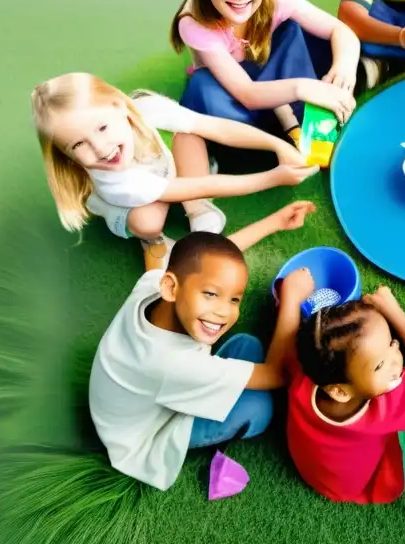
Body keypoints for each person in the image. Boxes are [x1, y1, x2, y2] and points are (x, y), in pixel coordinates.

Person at [87, 202, 317, 490]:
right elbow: (277, 374)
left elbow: (204, 263)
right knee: (259, 408)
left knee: (248, 344)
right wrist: (292, 299)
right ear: (172, 287)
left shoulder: (154, 282)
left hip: (124, 405)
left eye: (234, 299)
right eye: (211, 294)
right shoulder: (177, 364)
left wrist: (276, 221)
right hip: (141, 439)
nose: (223, 312)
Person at [31, 72, 317, 270]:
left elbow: (214, 127)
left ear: (120, 106)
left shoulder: (147, 109)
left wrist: (276, 145)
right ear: (66, 155)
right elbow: (200, 187)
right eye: (79, 144)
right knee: (148, 221)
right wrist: (273, 178)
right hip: (133, 201)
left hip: (160, 171)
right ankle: (151, 243)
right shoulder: (115, 181)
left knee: (189, 133)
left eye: (102, 127)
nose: (101, 148)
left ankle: (199, 213)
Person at [170, 0, 363, 148]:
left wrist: (344, 68)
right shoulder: (195, 23)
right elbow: (247, 93)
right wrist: (304, 88)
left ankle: (300, 116)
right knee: (201, 88)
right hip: (237, 96)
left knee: (299, 33)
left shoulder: (278, 0)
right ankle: (277, 129)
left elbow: (340, 30)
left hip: (271, 72)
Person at [285, 286, 405, 504]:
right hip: (351, 489)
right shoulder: (385, 407)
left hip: (314, 470)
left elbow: (288, 336)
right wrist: (392, 309)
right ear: (339, 391)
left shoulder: (305, 375)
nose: (397, 360)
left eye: (392, 343)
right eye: (379, 366)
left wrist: (289, 298)